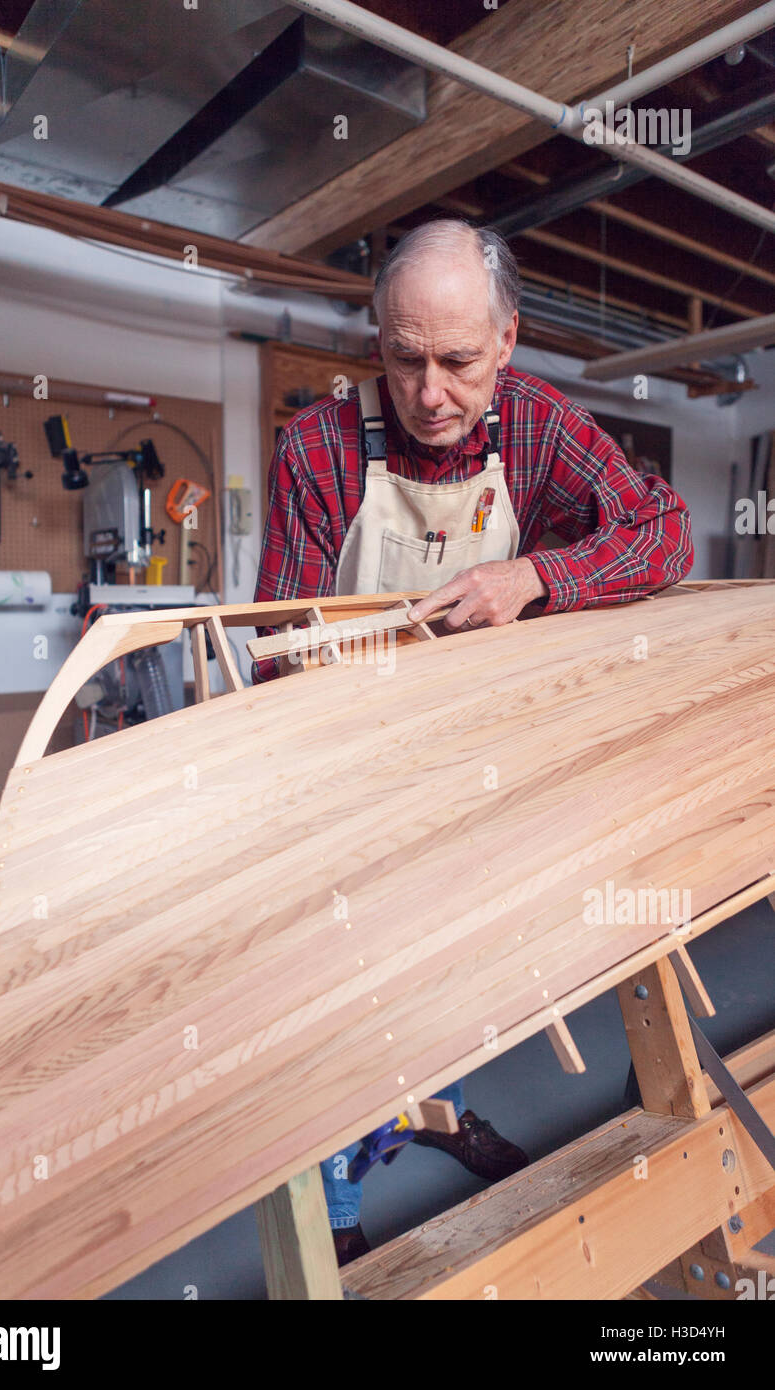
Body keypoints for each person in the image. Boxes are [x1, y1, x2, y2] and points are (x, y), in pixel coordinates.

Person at [251, 219, 693, 1263]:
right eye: (403, 360)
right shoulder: (315, 448)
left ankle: (436, 1111)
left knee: (462, 967)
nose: (432, 392)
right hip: (346, 765)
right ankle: (339, 1201)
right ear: (376, 348)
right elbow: (271, 652)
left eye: (456, 360)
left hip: (474, 765)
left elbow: (663, 529)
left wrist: (537, 576)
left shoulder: (536, 424)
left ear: (505, 339)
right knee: (346, 992)